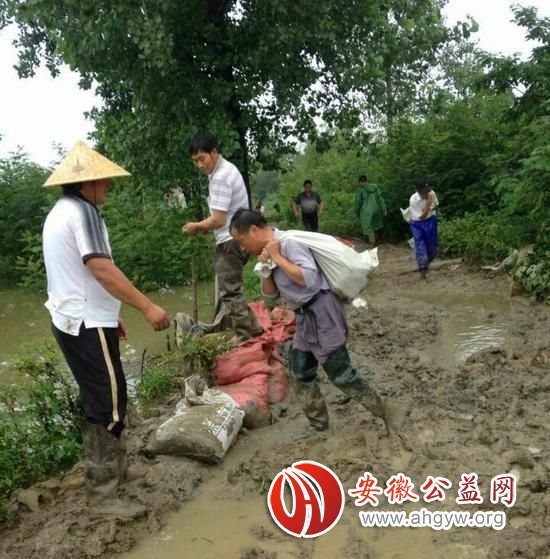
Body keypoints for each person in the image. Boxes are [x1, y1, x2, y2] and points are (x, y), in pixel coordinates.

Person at [42, 140, 171, 501]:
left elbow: (73, 275)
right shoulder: (84, 213)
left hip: (79, 318)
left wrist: (111, 315)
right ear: (87, 183)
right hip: (84, 322)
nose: (109, 187)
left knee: (106, 396)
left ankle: (118, 471)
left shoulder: (61, 212)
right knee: (107, 404)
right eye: (105, 180)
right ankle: (103, 489)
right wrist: (147, 307)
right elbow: (100, 268)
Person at [229, 209, 395, 442]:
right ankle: (318, 425)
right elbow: (270, 298)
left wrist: (278, 258)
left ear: (254, 230)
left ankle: (384, 411)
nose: (242, 247)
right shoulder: (271, 252)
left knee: (341, 374)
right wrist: (266, 270)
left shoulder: (289, 244)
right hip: (305, 318)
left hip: (323, 311)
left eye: (241, 240)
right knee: (300, 372)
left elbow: (309, 279)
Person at [182, 132, 263, 344]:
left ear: (214, 152)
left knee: (230, 291)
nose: (199, 165)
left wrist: (196, 226)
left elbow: (218, 220)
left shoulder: (220, 177)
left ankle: (246, 335)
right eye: (195, 161)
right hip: (236, 237)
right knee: (231, 288)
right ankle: (252, 327)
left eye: (202, 158)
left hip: (229, 240)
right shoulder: (226, 171)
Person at [409, 179, 439, 279]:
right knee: (420, 246)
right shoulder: (413, 200)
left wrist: (432, 204)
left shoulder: (432, 193)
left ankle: (426, 264)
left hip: (431, 220)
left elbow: (436, 206)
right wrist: (428, 203)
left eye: (427, 191)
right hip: (418, 223)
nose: (426, 194)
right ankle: (422, 270)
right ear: (418, 191)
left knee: (433, 249)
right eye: (424, 193)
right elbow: (422, 217)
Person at [353, 175, 386, 246]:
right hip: (377, 209)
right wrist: (384, 209)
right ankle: (378, 240)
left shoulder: (360, 190)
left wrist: (356, 212)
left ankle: (370, 243)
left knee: (366, 226)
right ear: (367, 180)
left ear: (360, 182)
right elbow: (381, 198)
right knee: (377, 224)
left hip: (366, 211)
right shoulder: (375, 187)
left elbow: (358, 203)